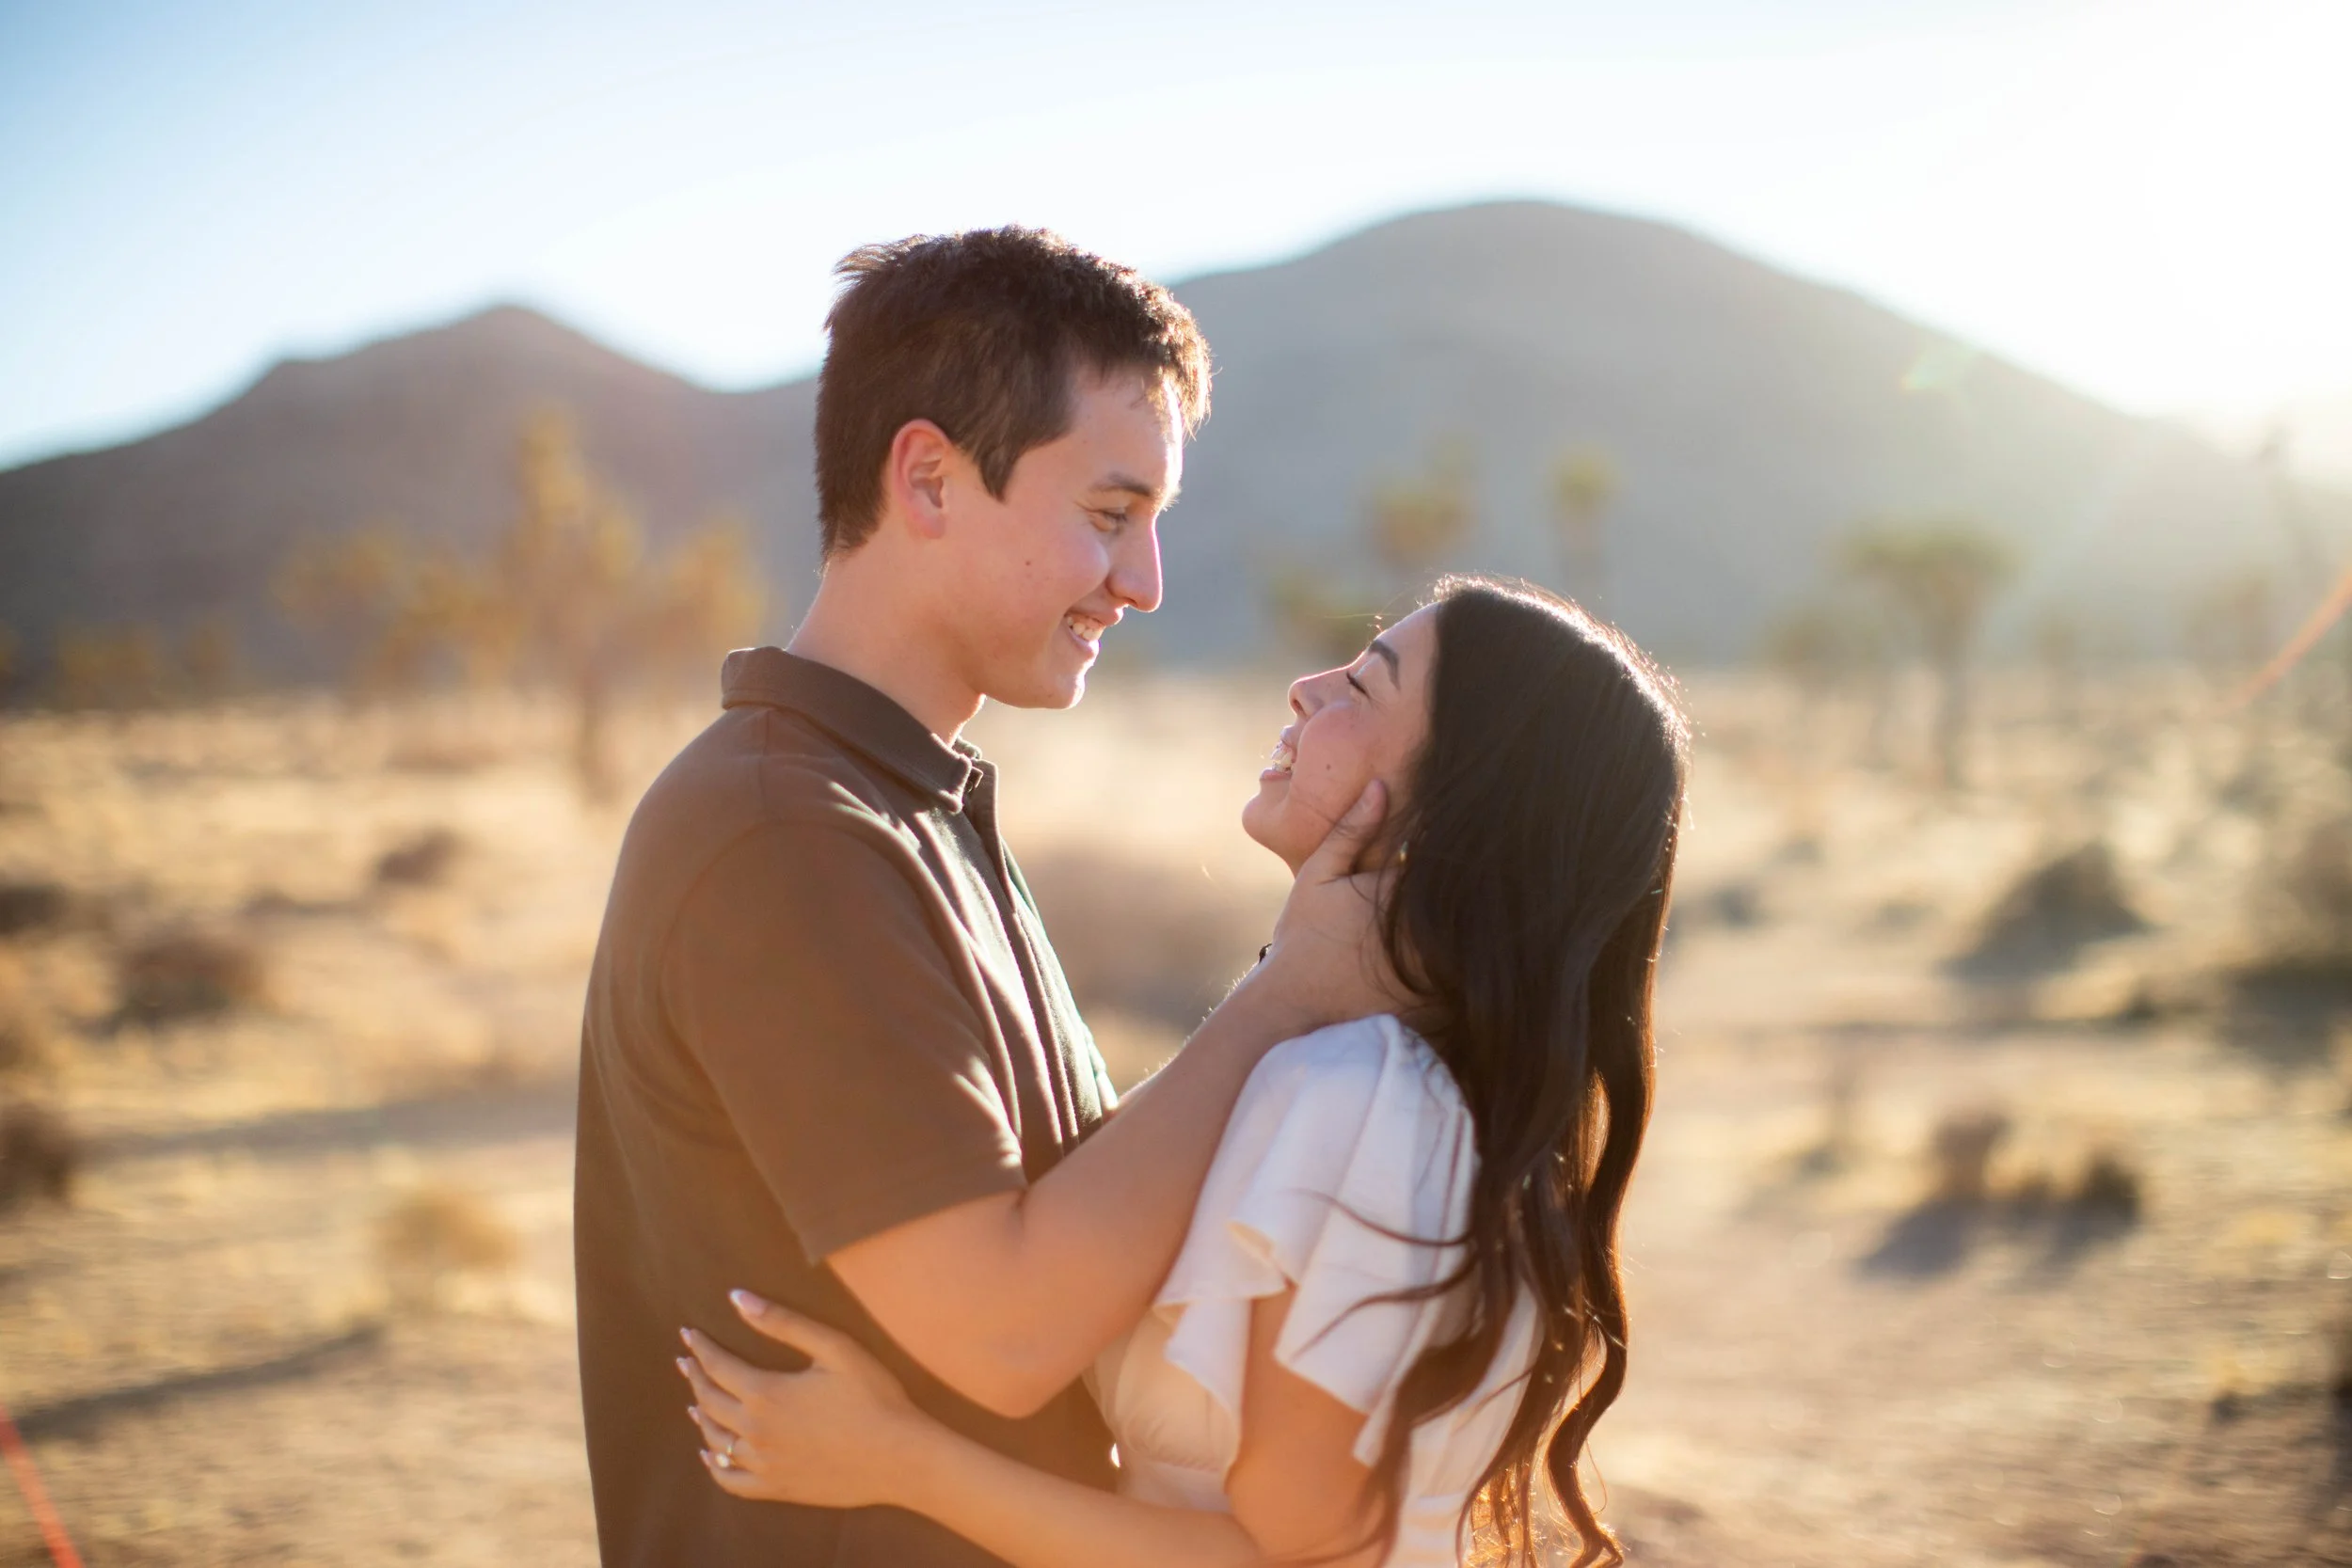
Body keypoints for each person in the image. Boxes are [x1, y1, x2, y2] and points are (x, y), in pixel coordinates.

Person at [574, 227, 1402, 1568]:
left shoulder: (907, 807)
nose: (1141, 585)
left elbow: (1071, 1240)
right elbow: (1009, 1330)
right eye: (1108, 515)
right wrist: (1293, 989)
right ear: (929, 478)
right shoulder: (785, 834)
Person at [682, 577, 1692, 1568]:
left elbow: (1286, 1559)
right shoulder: (1380, 1082)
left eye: (1366, 685)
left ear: (1456, 807)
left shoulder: (1366, 1098)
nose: (1307, 684)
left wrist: (900, 1459)